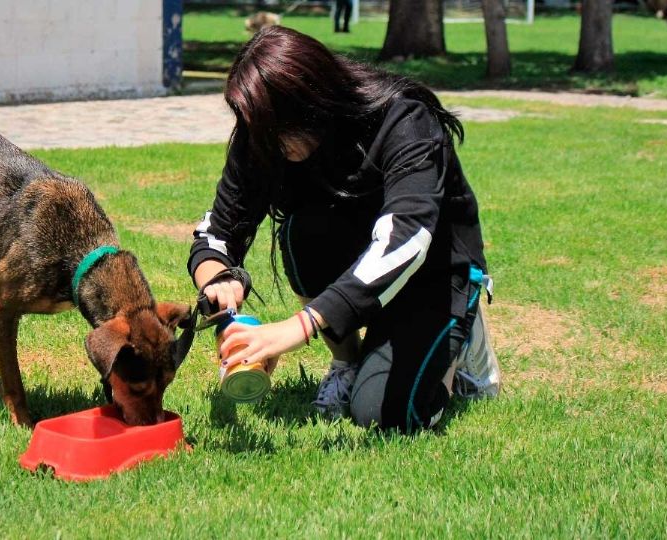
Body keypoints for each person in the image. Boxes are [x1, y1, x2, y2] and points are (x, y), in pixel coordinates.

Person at [187, 27, 500, 433]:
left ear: (312, 104)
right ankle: (348, 361)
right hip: (362, 265)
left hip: (433, 272)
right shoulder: (262, 139)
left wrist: (298, 327)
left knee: (383, 415)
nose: (265, 143)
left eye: (274, 130)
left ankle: (464, 334)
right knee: (304, 235)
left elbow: (407, 241)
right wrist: (217, 279)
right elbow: (216, 232)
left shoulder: (404, 118)